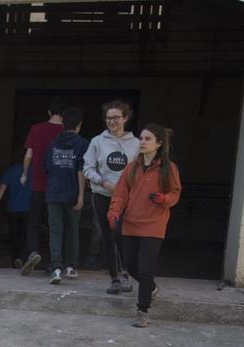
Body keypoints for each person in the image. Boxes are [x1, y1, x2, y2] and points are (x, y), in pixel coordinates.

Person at [108, 124, 181, 328]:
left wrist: (164, 199)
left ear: (158, 144)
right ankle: (152, 288)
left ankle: (142, 310)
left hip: (154, 225)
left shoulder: (169, 168)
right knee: (130, 266)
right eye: (141, 138)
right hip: (131, 223)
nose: (142, 142)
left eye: (147, 139)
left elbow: (176, 193)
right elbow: (120, 194)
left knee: (145, 268)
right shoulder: (131, 168)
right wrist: (114, 212)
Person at [83, 100, 139, 295]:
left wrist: (129, 189)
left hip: (126, 198)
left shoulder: (136, 144)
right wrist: (103, 182)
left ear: (125, 118)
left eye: (116, 117)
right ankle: (114, 278)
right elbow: (87, 168)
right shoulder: (97, 142)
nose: (112, 121)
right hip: (102, 195)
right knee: (107, 236)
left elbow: (141, 170)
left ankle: (126, 273)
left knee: (121, 235)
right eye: (108, 118)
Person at [18, 97, 66, 276]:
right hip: (59, 187)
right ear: (64, 114)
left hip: (38, 184)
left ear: (48, 112)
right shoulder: (65, 131)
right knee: (56, 225)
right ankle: (55, 262)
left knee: (34, 222)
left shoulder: (36, 129)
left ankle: (33, 252)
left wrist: (24, 174)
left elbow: (29, 155)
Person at [42, 107, 88, 284]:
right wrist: (81, 195)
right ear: (79, 125)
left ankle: (55, 268)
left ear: (63, 123)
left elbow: (46, 167)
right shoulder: (82, 144)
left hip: (53, 193)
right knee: (72, 230)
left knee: (55, 230)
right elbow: (81, 170)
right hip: (72, 194)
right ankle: (71, 266)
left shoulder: (53, 143)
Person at [0, 150, 32, 268]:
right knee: (25, 236)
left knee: (14, 236)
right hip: (29, 209)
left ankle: (16, 259)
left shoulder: (10, 171)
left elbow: (2, 189)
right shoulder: (33, 171)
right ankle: (25, 259)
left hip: (13, 210)